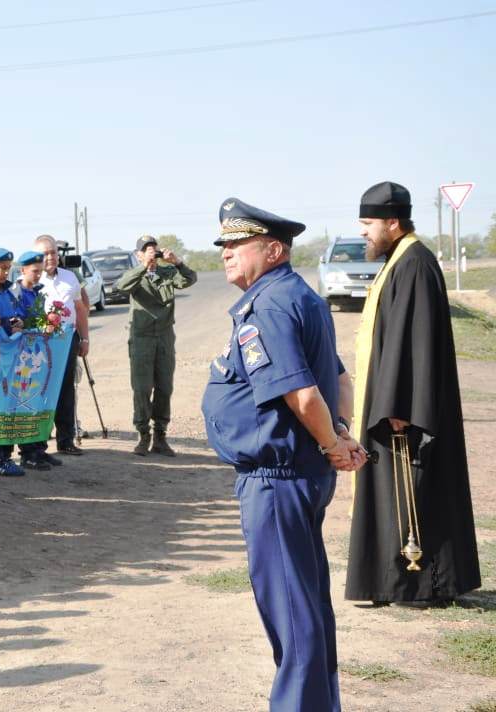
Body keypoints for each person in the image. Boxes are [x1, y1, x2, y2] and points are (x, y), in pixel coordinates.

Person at [201, 197, 366, 712]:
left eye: (238, 243)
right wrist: (339, 434)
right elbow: (339, 379)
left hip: (277, 479)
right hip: (296, 474)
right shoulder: (297, 296)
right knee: (305, 603)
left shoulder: (268, 306)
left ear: (273, 250)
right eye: (224, 244)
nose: (226, 252)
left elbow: (303, 394)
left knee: (291, 612)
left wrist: (332, 443)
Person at [346, 181, 481, 605]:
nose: (363, 232)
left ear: (393, 222)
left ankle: (419, 585)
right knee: (391, 494)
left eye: (368, 224)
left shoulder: (415, 264)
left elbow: (414, 342)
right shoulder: (399, 261)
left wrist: (399, 403)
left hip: (402, 409)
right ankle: (391, 583)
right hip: (390, 401)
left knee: (411, 492)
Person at [115, 235, 197, 456]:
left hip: (164, 336)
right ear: (138, 255)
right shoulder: (135, 274)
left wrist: (177, 262)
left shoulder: (167, 272)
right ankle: (143, 435)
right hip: (141, 337)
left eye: (154, 248)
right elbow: (121, 287)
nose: (152, 252)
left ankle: (160, 436)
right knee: (142, 388)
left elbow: (189, 279)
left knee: (164, 387)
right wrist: (144, 267)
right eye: (146, 249)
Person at [34, 235, 89, 457]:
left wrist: (84, 339)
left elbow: (80, 310)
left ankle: (66, 440)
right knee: (43, 390)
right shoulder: (30, 279)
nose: (50, 257)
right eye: (45, 254)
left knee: (66, 389)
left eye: (53, 253)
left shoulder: (70, 277)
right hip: (42, 344)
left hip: (67, 340)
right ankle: (39, 443)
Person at [10, 251, 60, 470]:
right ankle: (28, 452)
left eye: (40, 271)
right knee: (25, 403)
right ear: (23, 270)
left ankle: (39, 448)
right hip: (22, 356)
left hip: (36, 353)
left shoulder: (38, 291)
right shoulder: (16, 293)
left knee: (39, 402)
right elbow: (16, 322)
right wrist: (36, 326)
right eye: (34, 271)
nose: (38, 274)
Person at [0, 248, 27, 477]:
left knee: (8, 406)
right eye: (2, 268)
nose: (6, 272)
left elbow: (12, 316)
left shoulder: (7, 291)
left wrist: (18, 323)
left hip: (10, 357)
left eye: (9, 267)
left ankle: (6, 455)